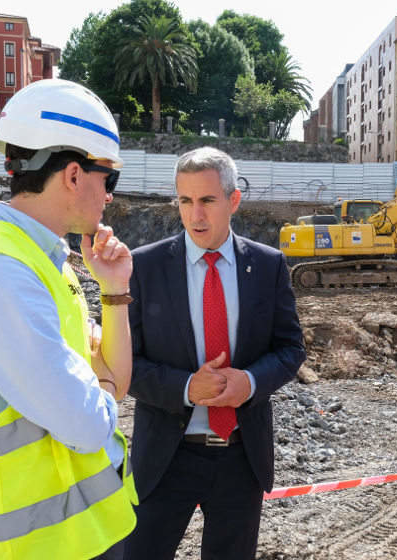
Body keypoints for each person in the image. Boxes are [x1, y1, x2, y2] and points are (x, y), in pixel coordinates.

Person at [0, 79, 136, 559]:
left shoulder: (45, 263)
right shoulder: (1, 274)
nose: (108, 197)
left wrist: (114, 289)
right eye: (109, 179)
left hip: (73, 537)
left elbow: (114, 381)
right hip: (21, 548)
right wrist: (98, 384)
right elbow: (87, 423)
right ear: (74, 175)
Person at [124, 147, 305, 560]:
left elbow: (291, 348)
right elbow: (126, 365)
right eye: (185, 201)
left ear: (233, 200)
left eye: (207, 200)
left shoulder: (267, 265)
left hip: (241, 459)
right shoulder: (144, 268)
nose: (195, 215)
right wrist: (188, 387)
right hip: (166, 458)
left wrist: (251, 382)